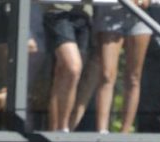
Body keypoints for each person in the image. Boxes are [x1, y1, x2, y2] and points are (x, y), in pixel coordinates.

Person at [83, 0, 153, 134]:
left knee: (134, 77)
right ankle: (102, 130)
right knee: (107, 75)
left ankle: (125, 132)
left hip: (139, 16)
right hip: (110, 12)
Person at [43, 3, 91, 131]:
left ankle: (57, 129)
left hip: (84, 14)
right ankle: (63, 128)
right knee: (73, 68)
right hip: (58, 12)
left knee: (64, 74)